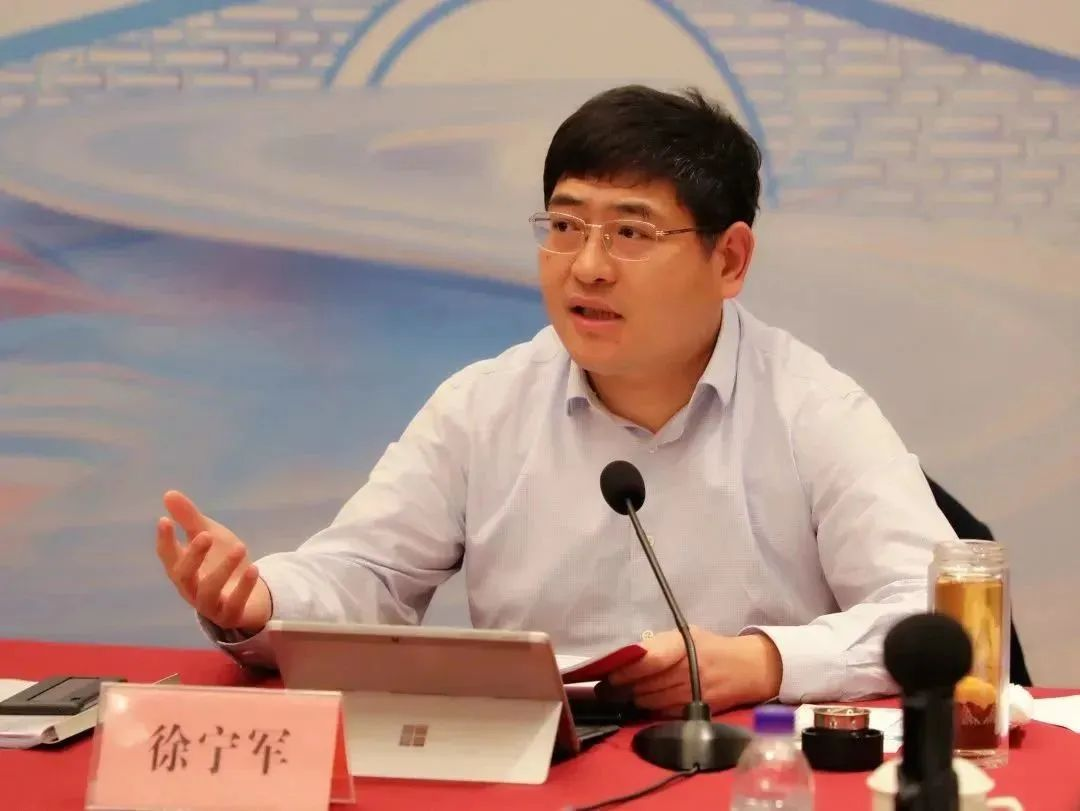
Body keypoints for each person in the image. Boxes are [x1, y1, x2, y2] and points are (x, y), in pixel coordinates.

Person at [155, 85, 955, 715]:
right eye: (566, 226)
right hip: (533, 769)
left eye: (631, 233)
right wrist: (260, 602)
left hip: (740, 769)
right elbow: (365, 572)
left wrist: (765, 660)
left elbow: (938, 612)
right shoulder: (484, 406)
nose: (588, 266)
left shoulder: (814, 408)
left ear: (730, 259)